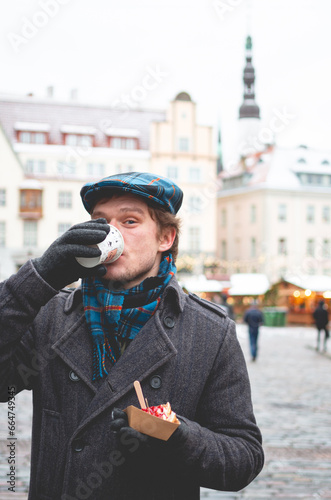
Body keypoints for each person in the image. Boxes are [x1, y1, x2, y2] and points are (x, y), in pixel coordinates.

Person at [0, 172, 264, 499]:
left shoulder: (210, 331)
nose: (112, 233)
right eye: (101, 221)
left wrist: (178, 438)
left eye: (129, 221)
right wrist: (40, 277)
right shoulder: (52, 316)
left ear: (165, 238)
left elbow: (243, 458)